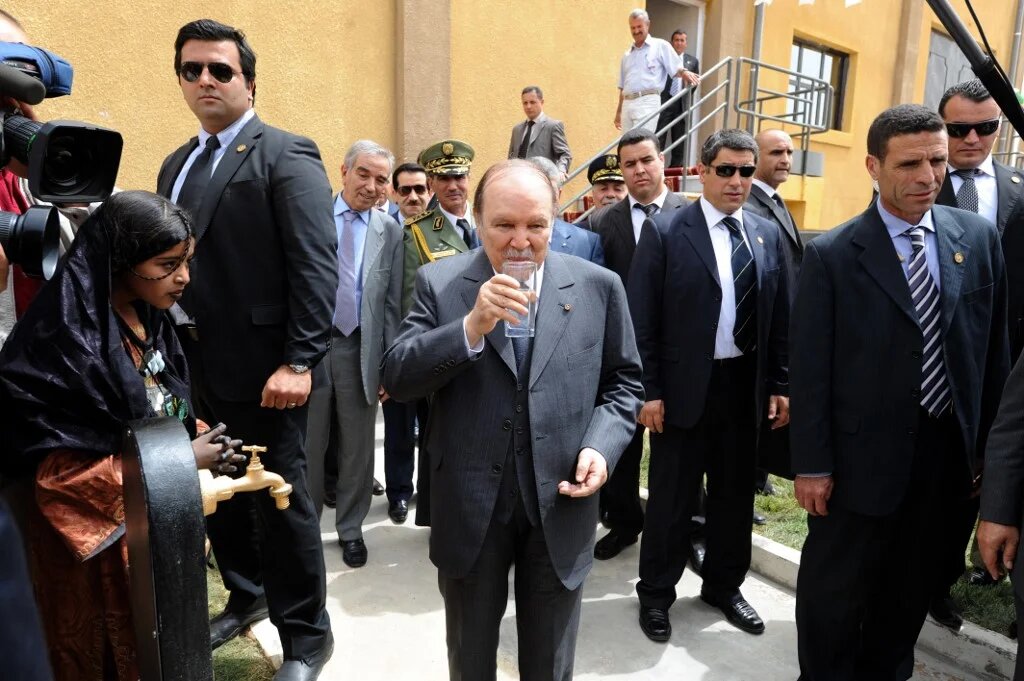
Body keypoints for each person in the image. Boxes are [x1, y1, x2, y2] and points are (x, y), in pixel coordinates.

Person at [381, 160, 644, 680]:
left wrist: (601, 446)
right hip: (471, 501)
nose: (520, 241)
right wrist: (470, 327)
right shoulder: (441, 282)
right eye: (504, 225)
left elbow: (624, 384)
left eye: (536, 225)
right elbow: (399, 375)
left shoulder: (599, 286)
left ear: (556, 221)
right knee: (471, 655)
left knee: (549, 661)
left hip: (561, 500)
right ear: (478, 221)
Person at [791, 104, 1010, 680]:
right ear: (873, 165)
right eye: (910, 164)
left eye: (937, 162)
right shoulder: (833, 255)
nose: (927, 177)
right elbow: (810, 370)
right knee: (834, 597)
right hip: (857, 465)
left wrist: (987, 454)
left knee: (909, 590)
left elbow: (992, 353)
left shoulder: (978, 239)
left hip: (945, 463)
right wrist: (812, 465)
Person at [0, 190, 245, 681]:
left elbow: (156, 402)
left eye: (187, 262)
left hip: (152, 530)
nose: (184, 278)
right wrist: (179, 458)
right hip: (91, 561)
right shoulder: (61, 345)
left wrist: (198, 438)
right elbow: (56, 479)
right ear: (121, 261)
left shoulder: (148, 313)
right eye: (168, 263)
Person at [157, 19, 337, 680]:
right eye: (191, 69)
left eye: (219, 69)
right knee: (222, 491)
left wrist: (299, 361)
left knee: (281, 500)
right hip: (192, 367)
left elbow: (316, 268)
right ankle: (246, 591)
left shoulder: (284, 153)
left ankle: (308, 637)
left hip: (268, 374)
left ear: (248, 81)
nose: (204, 79)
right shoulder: (176, 163)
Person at [629, 129, 790, 642]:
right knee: (673, 501)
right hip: (681, 392)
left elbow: (780, 318)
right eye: (726, 170)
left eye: (746, 171)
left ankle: (723, 585)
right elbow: (641, 321)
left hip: (744, 390)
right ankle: (656, 593)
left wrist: (781, 383)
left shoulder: (764, 234)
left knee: (734, 498)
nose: (737, 181)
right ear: (702, 172)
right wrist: (647, 390)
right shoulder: (667, 231)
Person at [931, 78, 1024, 626]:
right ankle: (935, 579)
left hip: (1011, 364)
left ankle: (997, 568)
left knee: (1001, 463)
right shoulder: (920, 182)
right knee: (949, 476)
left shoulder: (1018, 188)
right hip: (943, 364)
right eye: (957, 128)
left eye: (985, 127)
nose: (971, 138)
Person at [587, 128, 687, 561]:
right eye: (630, 164)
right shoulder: (601, 224)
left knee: (680, 452)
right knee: (622, 446)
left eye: (646, 160)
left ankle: (688, 529)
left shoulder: (693, 214)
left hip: (681, 354)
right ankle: (624, 521)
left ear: (661, 159)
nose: (639, 170)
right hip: (620, 353)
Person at [305, 140, 403, 568]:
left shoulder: (391, 231)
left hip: (360, 348)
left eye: (381, 179)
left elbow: (393, 305)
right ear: (343, 170)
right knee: (308, 444)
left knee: (358, 450)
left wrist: (388, 365)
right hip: (311, 346)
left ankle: (350, 529)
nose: (372, 185)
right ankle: (305, 530)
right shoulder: (311, 218)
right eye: (363, 174)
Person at [745, 129, 802, 488]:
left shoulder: (778, 202)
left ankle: (759, 473)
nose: (785, 159)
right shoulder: (749, 206)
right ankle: (752, 474)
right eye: (776, 152)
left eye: (789, 152)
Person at [380, 162, 434, 522]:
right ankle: (399, 493)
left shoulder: (441, 234)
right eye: (405, 190)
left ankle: (430, 495)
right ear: (393, 193)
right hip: (396, 348)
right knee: (398, 429)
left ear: (429, 192)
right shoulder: (383, 233)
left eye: (419, 189)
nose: (413, 196)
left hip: (433, 350)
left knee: (433, 429)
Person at [615, 9, 699, 133]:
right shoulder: (627, 55)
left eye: (639, 26)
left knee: (640, 140)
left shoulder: (660, 45)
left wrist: (685, 72)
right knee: (626, 145)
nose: (636, 31)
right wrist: (619, 111)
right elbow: (623, 86)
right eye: (632, 28)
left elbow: (676, 67)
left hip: (648, 101)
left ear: (648, 24)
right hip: (627, 103)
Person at [528, 156, 605, 265]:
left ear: (559, 194)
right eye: (534, 190)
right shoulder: (501, 239)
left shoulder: (588, 243)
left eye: (549, 190)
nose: (542, 197)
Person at [656, 30, 700, 168]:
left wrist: (685, 97)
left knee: (679, 141)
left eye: (682, 40)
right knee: (659, 138)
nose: (679, 43)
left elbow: (695, 81)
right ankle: (657, 169)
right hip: (665, 102)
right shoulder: (665, 59)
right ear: (671, 42)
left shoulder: (692, 61)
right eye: (676, 40)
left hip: (681, 105)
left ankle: (674, 172)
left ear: (686, 43)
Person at [508, 86, 572, 178]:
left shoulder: (553, 126)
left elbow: (565, 154)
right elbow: (511, 158)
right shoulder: (516, 129)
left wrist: (560, 171)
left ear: (542, 102)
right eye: (525, 103)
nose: (528, 106)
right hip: (517, 181)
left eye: (532, 102)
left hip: (541, 183)